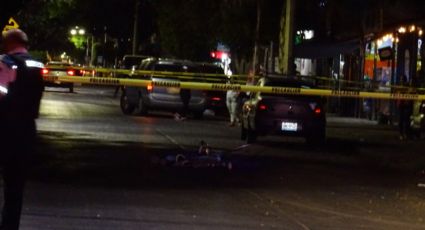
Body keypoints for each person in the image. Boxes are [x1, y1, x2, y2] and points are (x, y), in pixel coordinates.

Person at [0, 29, 44, 230]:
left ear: (10, 43)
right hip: (26, 130)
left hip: (4, 127)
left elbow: (2, 93)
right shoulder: (37, 66)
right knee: (15, 188)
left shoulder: (4, 62)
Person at [397, 75, 413, 140]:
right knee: (401, 121)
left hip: (406, 105)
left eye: (402, 80)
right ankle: (402, 134)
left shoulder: (407, 87)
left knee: (406, 121)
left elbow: (410, 94)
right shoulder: (399, 87)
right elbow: (398, 96)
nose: (401, 81)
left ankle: (406, 134)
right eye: (401, 79)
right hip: (401, 105)